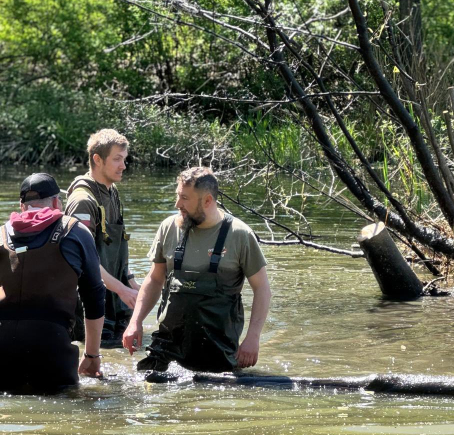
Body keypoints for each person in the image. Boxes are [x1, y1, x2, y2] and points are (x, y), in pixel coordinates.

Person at [122, 167, 271, 374]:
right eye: (177, 196)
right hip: (168, 345)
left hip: (217, 349)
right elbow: (155, 279)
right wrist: (135, 322)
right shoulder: (168, 228)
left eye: (184, 198)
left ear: (208, 200)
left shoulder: (240, 234)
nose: (177, 204)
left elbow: (262, 289)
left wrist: (252, 338)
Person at [0, 172, 105, 393]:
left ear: (21, 205)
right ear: (57, 202)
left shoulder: (1, 235)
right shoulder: (75, 231)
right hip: (52, 349)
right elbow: (94, 296)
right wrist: (92, 355)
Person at [65, 129, 138, 348]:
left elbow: (117, 248)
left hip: (115, 302)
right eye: (117, 159)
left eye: (124, 159)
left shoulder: (112, 191)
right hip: (92, 308)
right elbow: (83, 260)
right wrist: (123, 290)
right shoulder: (83, 202)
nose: (123, 166)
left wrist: (131, 283)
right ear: (97, 159)